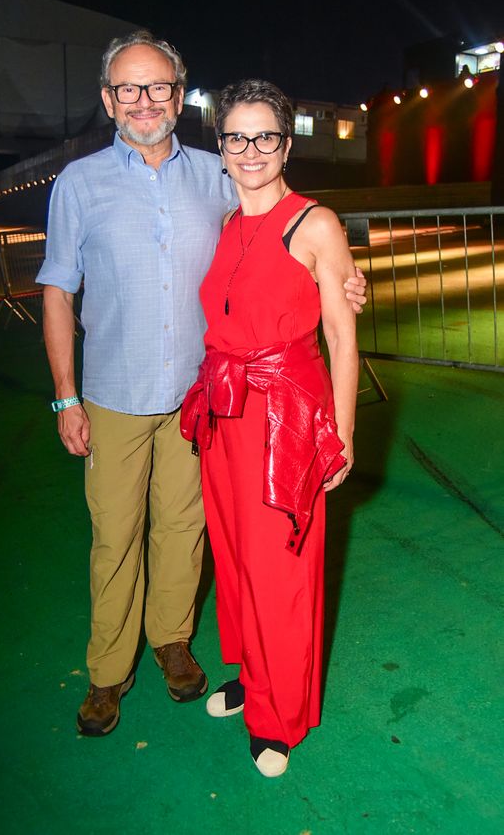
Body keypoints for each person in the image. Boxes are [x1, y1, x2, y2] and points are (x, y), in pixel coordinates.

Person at [36, 31, 366, 739]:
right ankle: (106, 672)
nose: (145, 101)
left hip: (204, 401)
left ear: (179, 97)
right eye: (129, 88)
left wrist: (343, 283)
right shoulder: (79, 183)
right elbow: (59, 290)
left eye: (158, 87)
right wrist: (65, 395)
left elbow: (286, 225)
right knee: (116, 536)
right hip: (117, 393)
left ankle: (173, 643)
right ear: (107, 100)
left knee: (193, 532)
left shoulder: (217, 174)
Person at [181, 79, 359, 777]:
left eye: (265, 136)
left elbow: (343, 339)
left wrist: (339, 437)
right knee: (236, 560)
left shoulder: (313, 222)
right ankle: (256, 679)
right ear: (220, 145)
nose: (250, 150)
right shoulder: (228, 224)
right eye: (236, 136)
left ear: (286, 143)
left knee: (282, 568)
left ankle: (281, 715)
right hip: (225, 417)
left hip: (285, 420)